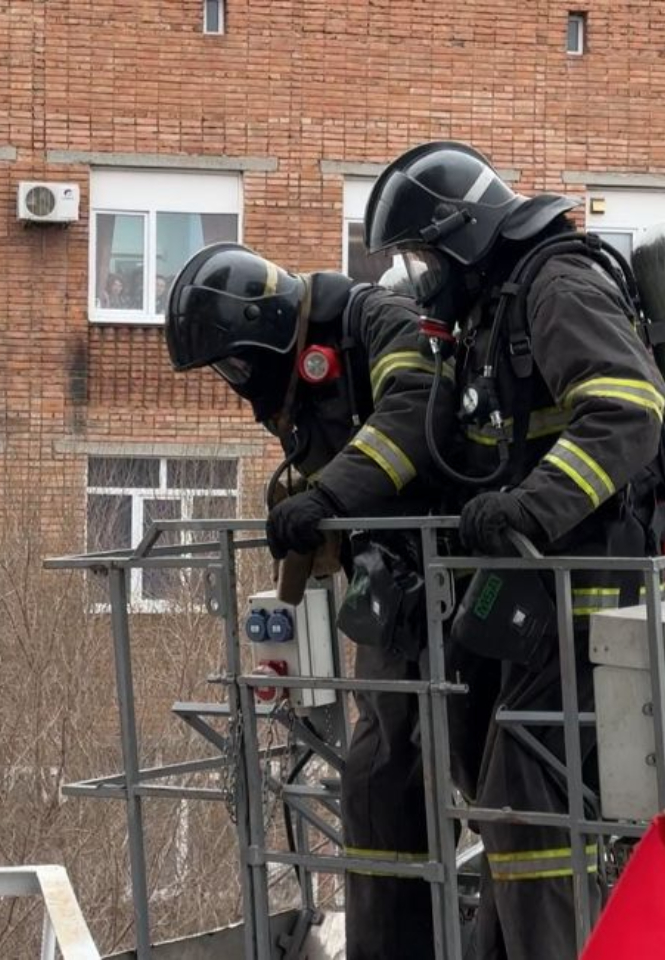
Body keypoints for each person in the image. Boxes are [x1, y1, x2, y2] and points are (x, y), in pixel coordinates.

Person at [365, 141, 665, 960]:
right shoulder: (498, 306)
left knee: (525, 788)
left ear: (465, 236)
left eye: (428, 252)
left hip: (590, 585)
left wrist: (529, 509)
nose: (424, 273)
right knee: (480, 757)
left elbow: (627, 410)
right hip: (536, 585)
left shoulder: (556, 284)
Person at [164, 242, 471, 959]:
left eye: (237, 364)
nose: (239, 383)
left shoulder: (382, 322)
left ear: (272, 329)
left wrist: (330, 495)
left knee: (491, 779)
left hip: (476, 591)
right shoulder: (299, 388)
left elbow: (415, 417)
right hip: (400, 601)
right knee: (375, 779)